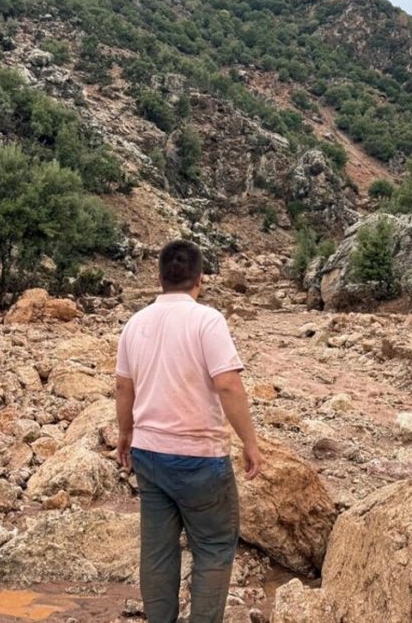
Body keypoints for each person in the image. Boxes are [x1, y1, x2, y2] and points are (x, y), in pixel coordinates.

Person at [114, 240, 264, 623]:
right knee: (213, 548)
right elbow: (228, 384)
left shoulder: (135, 323)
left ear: (159, 277)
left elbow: (123, 387)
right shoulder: (207, 320)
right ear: (200, 279)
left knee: (158, 551)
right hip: (201, 457)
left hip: (149, 454)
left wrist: (125, 434)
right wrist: (250, 442)